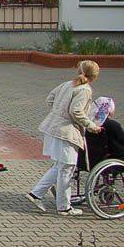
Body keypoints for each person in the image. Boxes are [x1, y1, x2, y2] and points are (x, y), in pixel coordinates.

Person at [26, 61, 103, 216]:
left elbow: (50, 99)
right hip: (66, 132)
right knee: (66, 168)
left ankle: (36, 194)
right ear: (94, 76)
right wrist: (92, 126)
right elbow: (76, 111)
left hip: (54, 127)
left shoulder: (68, 84)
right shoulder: (84, 89)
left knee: (60, 166)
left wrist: (58, 112)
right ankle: (63, 207)